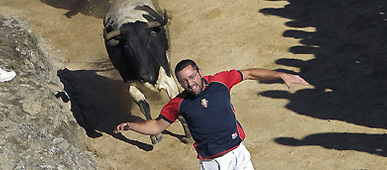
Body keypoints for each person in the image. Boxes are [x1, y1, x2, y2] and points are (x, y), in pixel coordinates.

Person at [116, 59, 310, 168]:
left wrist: (281, 75)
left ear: (199, 72)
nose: (190, 83)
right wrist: (132, 126)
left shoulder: (220, 82)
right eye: (184, 81)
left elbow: (250, 73)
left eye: (192, 77)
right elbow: (158, 126)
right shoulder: (178, 103)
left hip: (238, 153)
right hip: (213, 163)